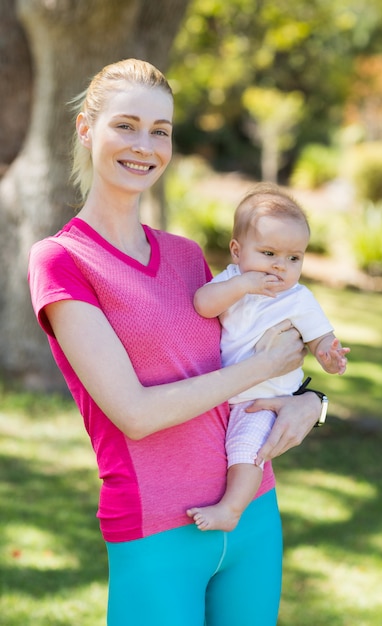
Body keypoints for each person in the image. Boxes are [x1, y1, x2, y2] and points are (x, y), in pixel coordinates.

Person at [28, 59, 323, 626]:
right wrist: (264, 368)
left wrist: (311, 401)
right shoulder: (62, 260)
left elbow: (255, 348)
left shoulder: (189, 255)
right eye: (126, 125)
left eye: (160, 131)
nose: (145, 145)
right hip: (157, 528)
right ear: (87, 130)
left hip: (252, 510)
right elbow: (135, 414)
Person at [187, 184, 350, 532]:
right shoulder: (233, 282)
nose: (280, 267)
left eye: (294, 258)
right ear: (237, 250)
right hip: (224, 392)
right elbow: (203, 304)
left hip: (265, 401)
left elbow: (320, 336)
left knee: (247, 450)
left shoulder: (298, 299)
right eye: (269, 254)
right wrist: (244, 285)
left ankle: (231, 510)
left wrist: (329, 356)